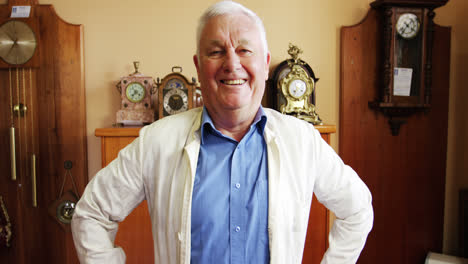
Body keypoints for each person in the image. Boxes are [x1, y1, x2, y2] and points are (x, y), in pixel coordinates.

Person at [71, 1, 373, 263]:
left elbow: (358, 210)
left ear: (265, 64)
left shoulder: (302, 141)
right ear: (198, 68)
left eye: (244, 50)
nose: (232, 64)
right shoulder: (157, 141)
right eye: (216, 52)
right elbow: (91, 215)